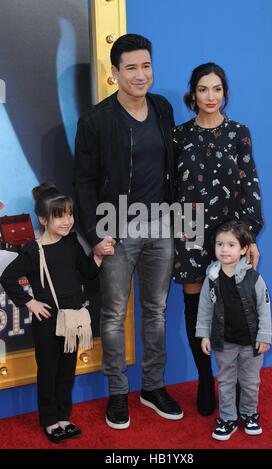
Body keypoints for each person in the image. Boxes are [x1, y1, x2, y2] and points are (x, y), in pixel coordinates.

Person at [73, 33, 183, 430]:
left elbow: (172, 168)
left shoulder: (163, 108)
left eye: (146, 65)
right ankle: (117, 393)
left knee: (156, 311)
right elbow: (83, 182)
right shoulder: (96, 120)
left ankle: (153, 388)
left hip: (162, 228)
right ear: (115, 72)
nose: (141, 74)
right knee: (114, 315)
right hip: (115, 230)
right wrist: (94, 233)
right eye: (132, 67)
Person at [173, 62, 264, 416]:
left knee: (236, 307)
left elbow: (249, 186)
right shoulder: (179, 136)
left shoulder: (239, 133)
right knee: (196, 310)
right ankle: (204, 380)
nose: (210, 97)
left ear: (224, 92)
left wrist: (248, 236)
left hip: (229, 234)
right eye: (202, 89)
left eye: (217, 89)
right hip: (190, 231)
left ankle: (238, 380)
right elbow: (170, 188)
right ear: (192, 94)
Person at [0, 182, 114, 443]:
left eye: (70, 215)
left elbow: (87, 272)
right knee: (48, 372)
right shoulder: (33, 250)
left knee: (67, 370)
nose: (67, 221)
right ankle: (50, 422)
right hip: (48, 323)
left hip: (72, 320)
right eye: (59, 216)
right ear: (43, 219)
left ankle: (64, 417)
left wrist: (100, 256)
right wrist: (29, 302)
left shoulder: (71, 244)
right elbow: (7, 277)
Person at [196, 220, 272, 440]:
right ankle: (228, 418)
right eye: (220, 244)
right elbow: (205, 308)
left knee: (250, 381)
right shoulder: (211, 279)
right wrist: (203, 335)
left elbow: (264, 309)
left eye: (231, 245)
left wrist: (264, 336)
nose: (224, 249)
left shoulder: (254, 278)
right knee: (226, 381)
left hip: (251, 342)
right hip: (224, 341)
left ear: (244, 249)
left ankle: (249, 414)